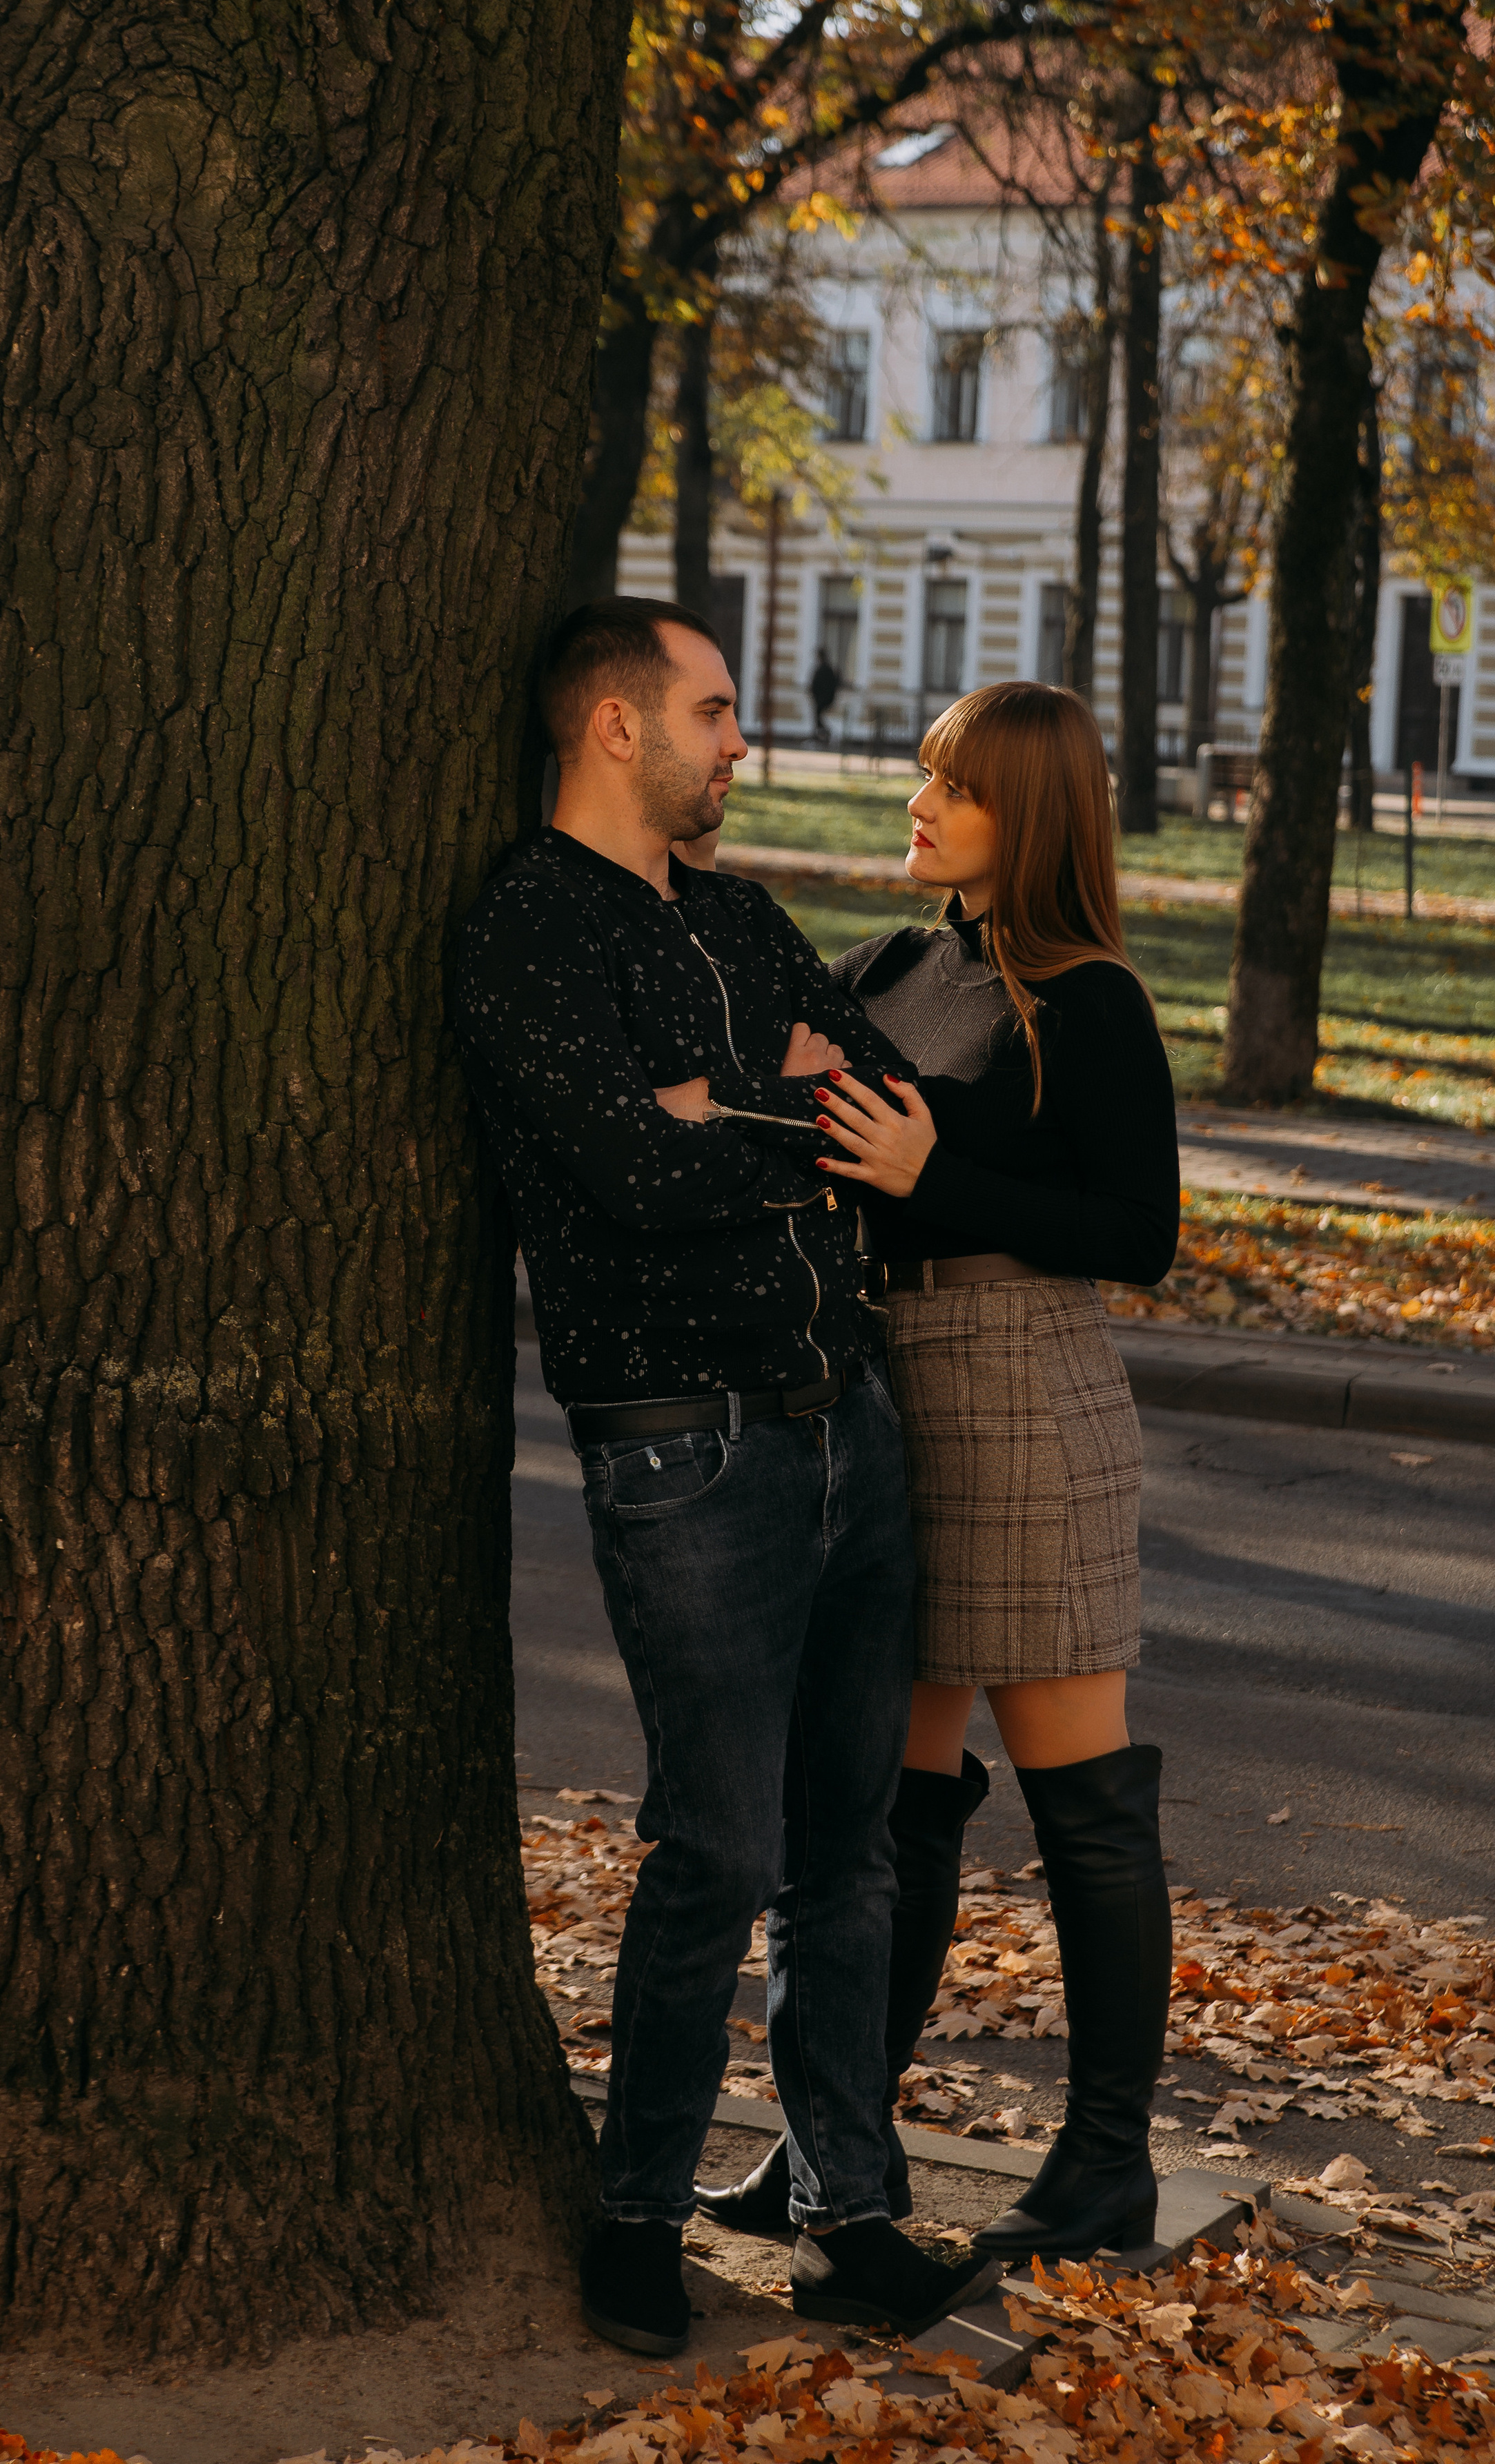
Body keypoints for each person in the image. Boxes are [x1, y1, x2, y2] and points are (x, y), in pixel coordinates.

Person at [453, 597, 997, 2356]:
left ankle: (851, 2210)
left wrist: (733, 1099)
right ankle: (635, 2214)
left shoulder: (748, 917)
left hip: (849, 1415)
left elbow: (894, 1101)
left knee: (845, 1853)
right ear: (616, 728)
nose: (736, 742)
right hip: (683, 1440)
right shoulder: (530, 924)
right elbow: (624, 1168)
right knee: (719, 1841)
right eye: (714, 710)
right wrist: (785, 1114)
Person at [702, 680, 1179, 2266]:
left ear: (1023, 813)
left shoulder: (1082, 999)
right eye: (919, 774)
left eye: (948, 784)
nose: (915, 801)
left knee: (1079, 1803)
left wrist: (934, 1173)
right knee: (877, 1807)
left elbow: (1138, 1235)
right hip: (876, 1395)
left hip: (1015, 1392)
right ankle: (838, 2146)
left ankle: (1105, 2161)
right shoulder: (885, 967)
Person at [809, 646, 841, 739]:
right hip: (822, 698)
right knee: (818, 716)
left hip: (823, 698)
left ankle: (823, 734)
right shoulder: (825, 668)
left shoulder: (825, 669)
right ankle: (821, 734)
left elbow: (827, 684)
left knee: (818, 716)